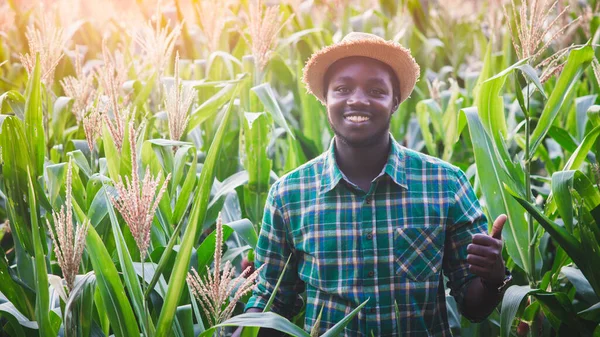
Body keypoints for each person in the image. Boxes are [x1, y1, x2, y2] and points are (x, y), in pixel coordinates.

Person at [233, 32, 511, 337]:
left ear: (395, 102)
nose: (358, 100)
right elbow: (274, 302)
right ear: (325, 99)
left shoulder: (445, 184)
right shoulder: (289, 196)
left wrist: (493, 278)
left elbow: (474, 307)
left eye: (377, 90)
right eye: (342, 88)